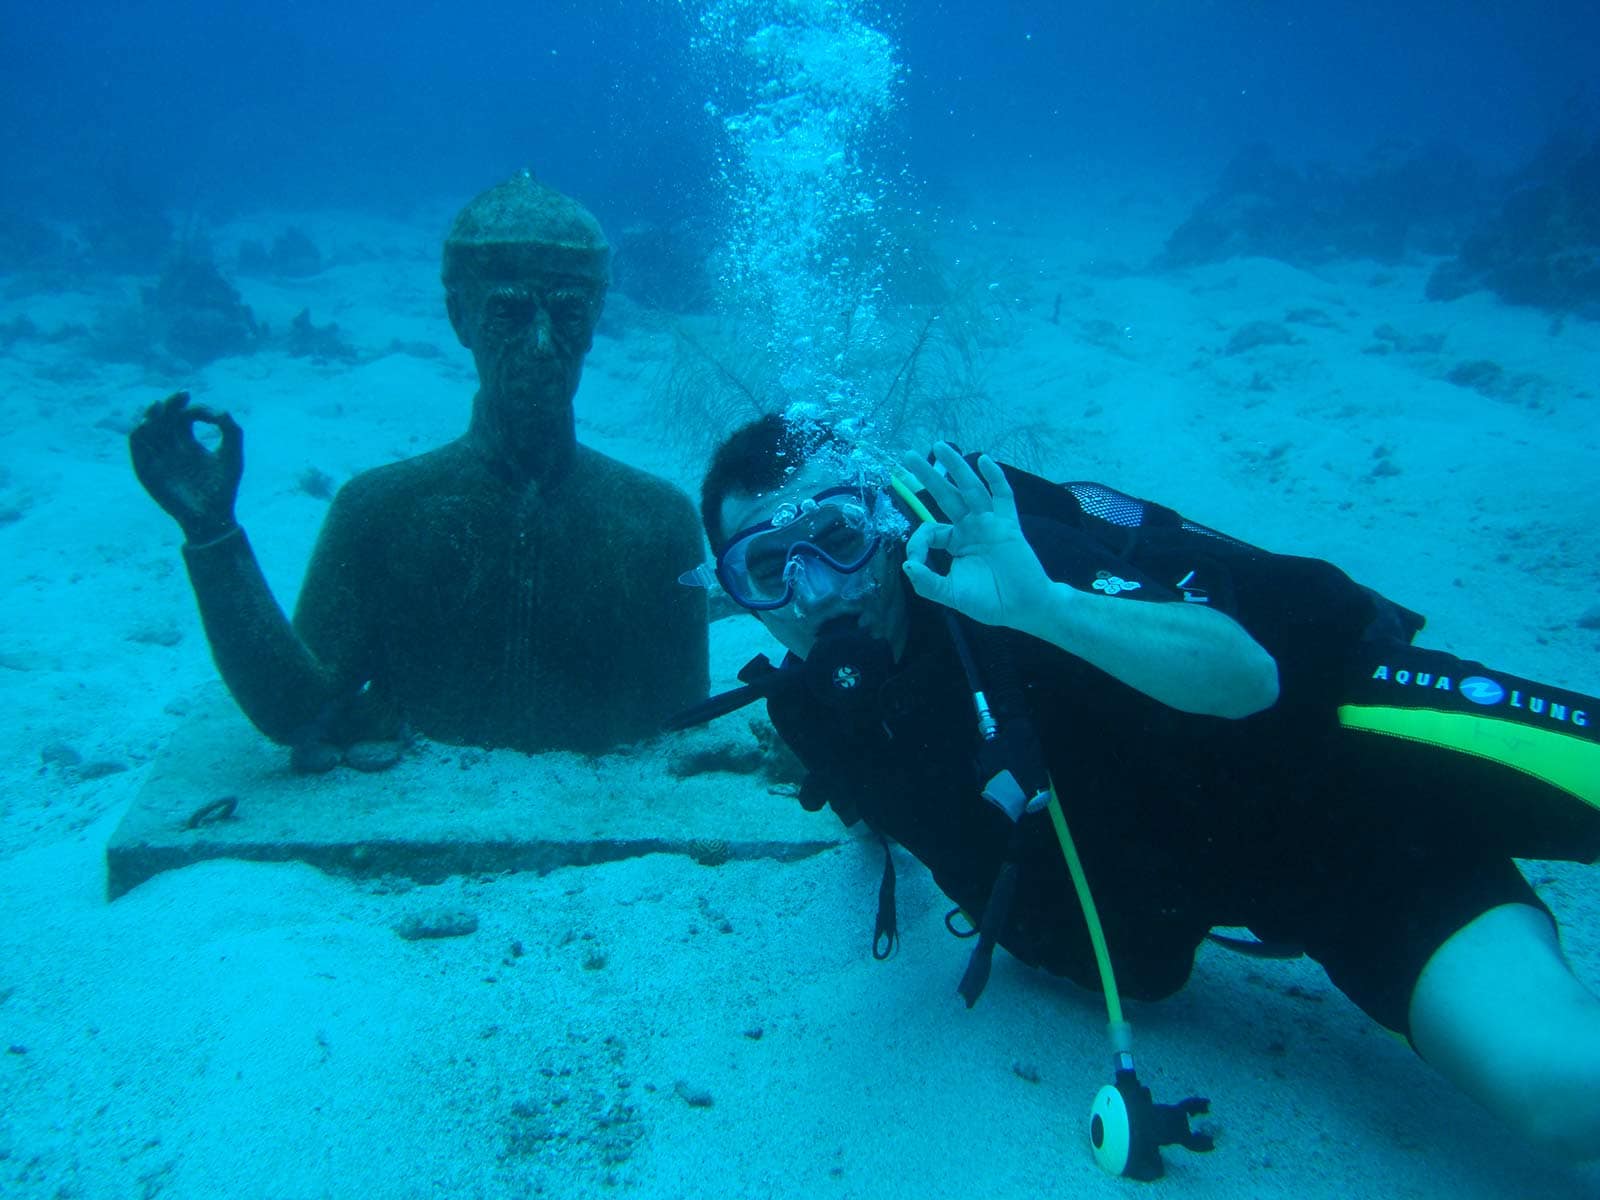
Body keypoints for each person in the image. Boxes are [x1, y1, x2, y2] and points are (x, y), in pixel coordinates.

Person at [684, 412, 1600, 1164]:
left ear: (885, 530)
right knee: (1561, 1091)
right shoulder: (816, 714)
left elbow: (1245, 676)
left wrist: (1045, 608)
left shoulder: (1008, 563)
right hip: (1346, 880)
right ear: (741, 594)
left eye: (838, 538)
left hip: (1353, 747)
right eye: (768, 567)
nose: (815, 592)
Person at [130, 172, 708, 762]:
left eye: (568, 313)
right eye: (508, 312)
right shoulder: (378, 513)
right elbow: (298, 709)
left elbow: (685, 723)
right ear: (459, 316)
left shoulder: (658, 522)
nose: (541, 344)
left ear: (596, 318)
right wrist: (213, 537)